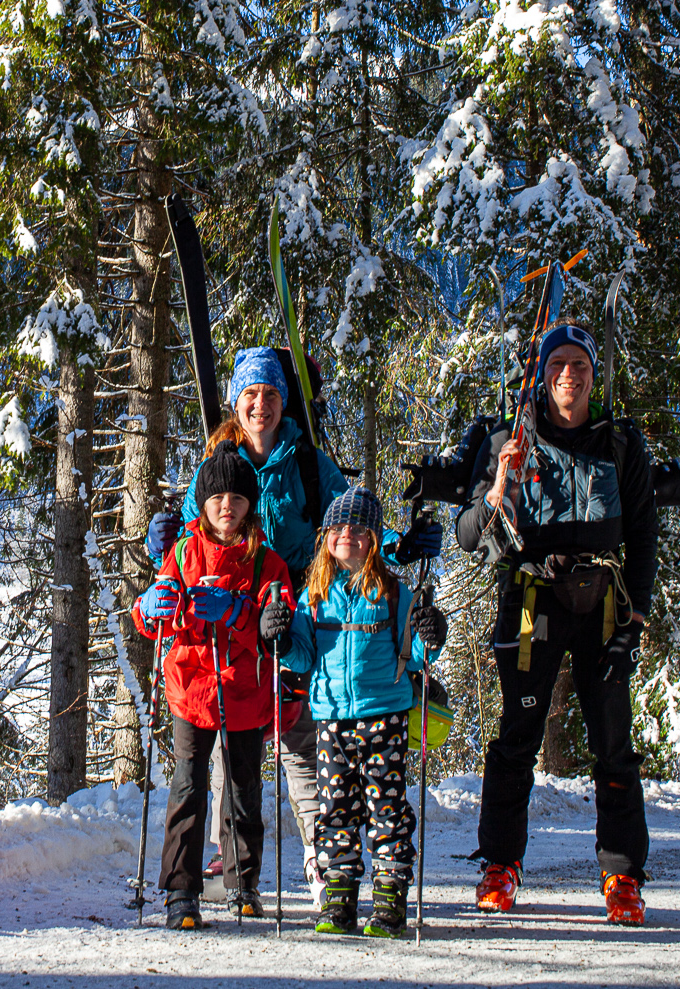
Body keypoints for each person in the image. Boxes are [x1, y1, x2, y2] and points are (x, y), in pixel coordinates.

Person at [142, 348, 442, 904]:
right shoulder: (220, 462)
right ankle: (226, 856)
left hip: (303, 614)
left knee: (305, 742)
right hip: (232, 629)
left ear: (284, 402)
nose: (262, 406)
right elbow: (189, 543)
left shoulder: (308, 463)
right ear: (237, 402)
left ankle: (323, 857)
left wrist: (399, 545)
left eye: (272, 395)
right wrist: (157, 545)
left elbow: (349, 524)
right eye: (252, 395)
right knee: (231, 745)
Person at [454, 322, 658, 925]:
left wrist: (636, 618)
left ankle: (622, 874)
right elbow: (467, 537)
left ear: (595, 376)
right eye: (557, 366)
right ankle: (499, 864)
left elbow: (644, 536)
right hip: (529, 610)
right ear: (540, 377)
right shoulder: (507, 443)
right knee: (517, 741)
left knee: (613, 745)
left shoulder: (621, 445)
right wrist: (498, 487)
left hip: (603, 610)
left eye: (580, 366)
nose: (569, 375)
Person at [263, 486, 447, 937]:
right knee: (336, 811)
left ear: (373, 538)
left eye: (358, 528)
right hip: (330, 720)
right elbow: (302, 658)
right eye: (339, 527)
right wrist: (281, 639)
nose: (347, 534)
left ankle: (388, 901)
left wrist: (432, 631)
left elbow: (417, 654)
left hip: (384, 716)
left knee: (386, 809)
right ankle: (339, 900)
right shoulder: (313, 596)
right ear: (326, 536)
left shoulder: (393, 593)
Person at [132, 441, 294, 929]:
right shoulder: (181, 554)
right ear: (202, 505)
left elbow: (277, 626)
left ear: (250, 506)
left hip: (245, 692)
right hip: (191, 689)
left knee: (244, 787)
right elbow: (154, 615)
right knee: (187, 784)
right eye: (218, 498)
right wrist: (148, 609)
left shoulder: (268, 563)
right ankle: (181, 890)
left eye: (238, 499)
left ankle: (244, 884)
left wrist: (243, 614)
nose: (228, 506)